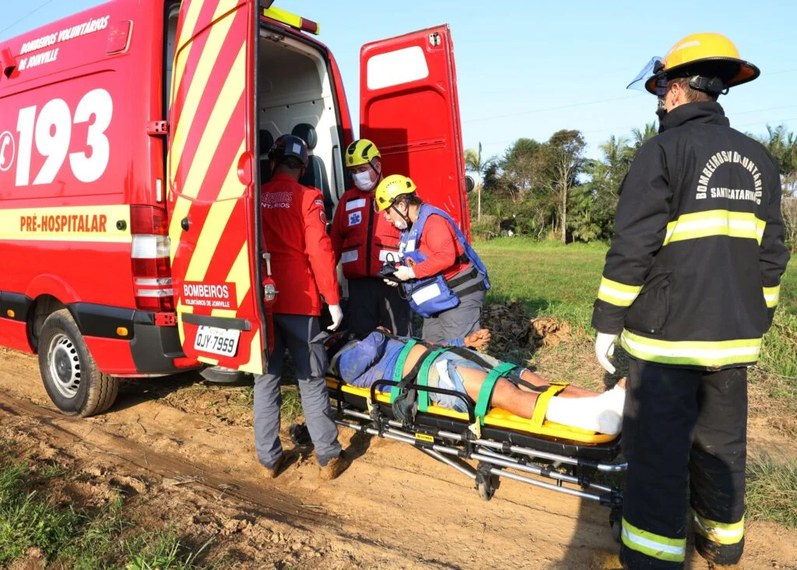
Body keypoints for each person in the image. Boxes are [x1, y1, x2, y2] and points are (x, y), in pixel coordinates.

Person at [591, 33, 790, 569]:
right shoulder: (759, 158)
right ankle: (723, 545)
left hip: (668, 339)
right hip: (734, 338)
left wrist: (607, 321)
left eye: (661, 91)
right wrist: (759, 311)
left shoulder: (662, 151)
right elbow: (774, 252)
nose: (658, 102)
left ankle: (651, 556)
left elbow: (633, 246)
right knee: (722, 445)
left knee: (658, 453)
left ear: (678, 90)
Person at [256, 134, 349, 481]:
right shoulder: (308, 197)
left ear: (274, 160)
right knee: (310, 380)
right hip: (300, 302)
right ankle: (327, 456)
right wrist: (333, 299)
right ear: (304, 166)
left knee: (266, 380)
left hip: (262, 303)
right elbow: (320, 251)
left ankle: (268, 460)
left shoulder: (256, 196)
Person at [328, 330, 626, 435]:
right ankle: (599, 418)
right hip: (428, 375)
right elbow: (368, 350)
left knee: (528, 379)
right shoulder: (342, 362)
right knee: (503, 391)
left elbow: (428, 341)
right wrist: (379, 332)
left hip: (446, 356)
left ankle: (606, 400)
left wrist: (464, 342)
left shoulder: (371, 341)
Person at [374, 174, 490, 346]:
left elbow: (445, 256)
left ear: (402, 205)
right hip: (440, 295)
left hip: (460, 292)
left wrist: (411, 273)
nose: (387, 217)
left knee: (458, 350)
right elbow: (420, 260)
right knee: (431, 346)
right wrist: (399, 276)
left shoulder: (433, 221)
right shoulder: (410, 227)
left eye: (387, 211)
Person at [330, 139, 412, 338]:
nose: (358, 175)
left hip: (392, 281)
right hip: (359, 287)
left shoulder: (398, 196)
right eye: (353, 171)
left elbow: (416, 236)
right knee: (363, 340)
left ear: (377, 166)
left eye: (362, 169)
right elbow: (334, 243)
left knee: (399, 338)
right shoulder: (347, 200)